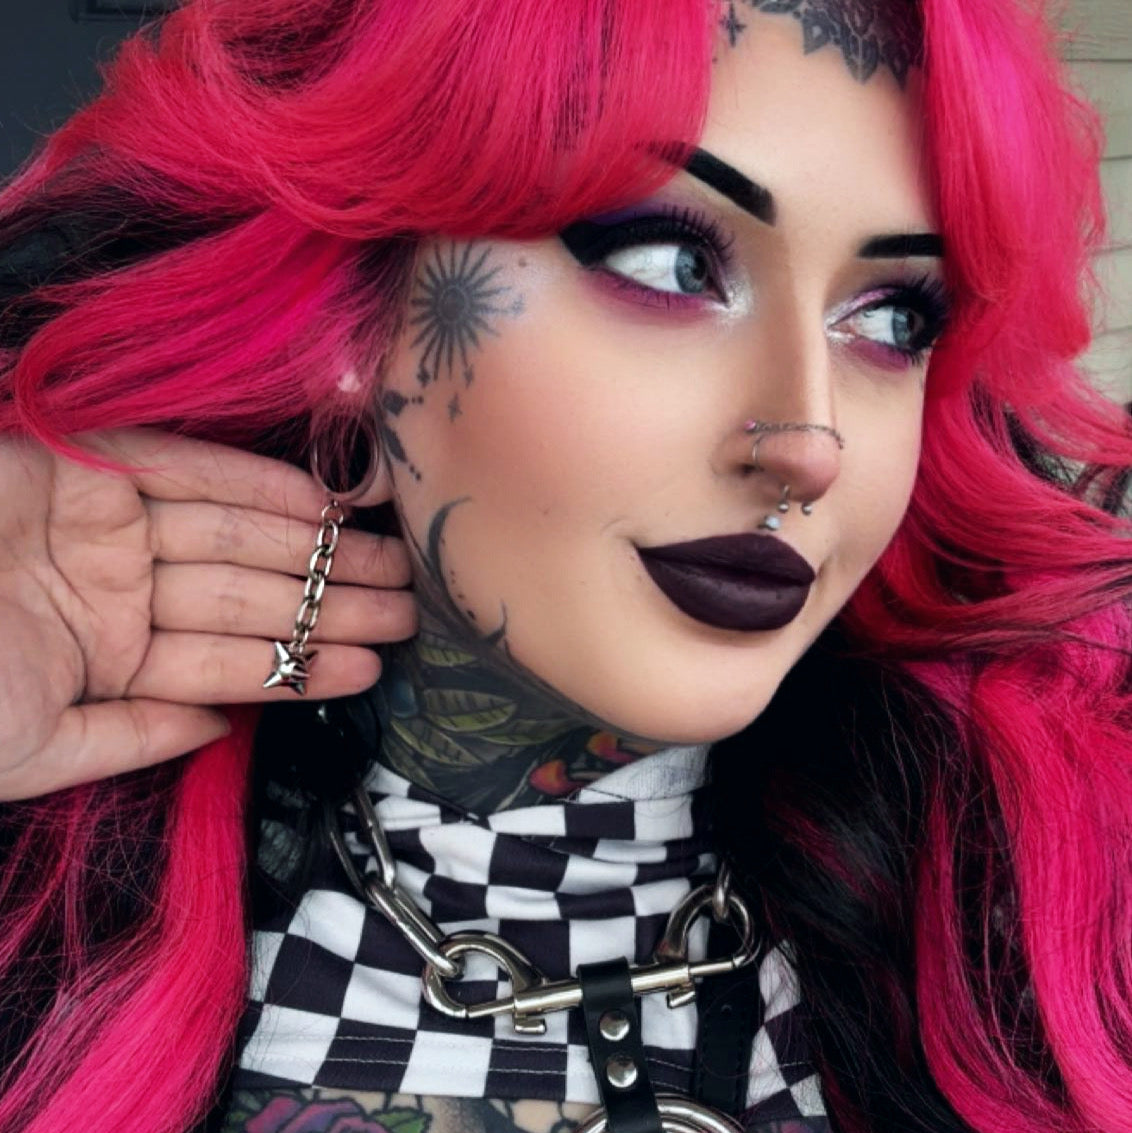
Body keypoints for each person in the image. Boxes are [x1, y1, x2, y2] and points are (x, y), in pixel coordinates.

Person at [0, 0, 1129, 1131]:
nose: (809, 441)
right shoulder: (60, 919)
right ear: (353, 324)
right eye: (673, 262)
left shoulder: (1044, 913)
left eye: (891, 320)